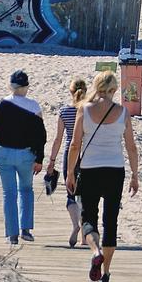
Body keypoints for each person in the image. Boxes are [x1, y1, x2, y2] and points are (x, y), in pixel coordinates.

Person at [67, 71, 139, 282]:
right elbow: (131, 147)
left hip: (90, 169)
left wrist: (70, 172)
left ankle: (95, 251)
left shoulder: (84, 109)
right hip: (115, 170)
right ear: (114, 90)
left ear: (96, 87)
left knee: (89, 217)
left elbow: (75, 144)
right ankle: (106, 272)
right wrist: (135, 175)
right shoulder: (123, 112)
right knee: (111, 220)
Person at [0, 71, 46, 246]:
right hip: (26, 154)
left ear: (10, 86)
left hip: (3, 153)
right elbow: (41, 136)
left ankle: (12, 235)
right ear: (26, 87)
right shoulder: (34, 106)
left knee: (8, 193)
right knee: (26, 189)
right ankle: (25, 230)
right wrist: (39, 159)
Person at [42, 77, 89, 247]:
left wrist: (52, 161)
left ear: (70, 92)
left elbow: (58, 139)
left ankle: (75, 225)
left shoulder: (64, 111)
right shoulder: (90, 110)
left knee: (71, 193)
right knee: (86, 195)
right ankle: (84, 236)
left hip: (70, 153)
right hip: (87, 153)